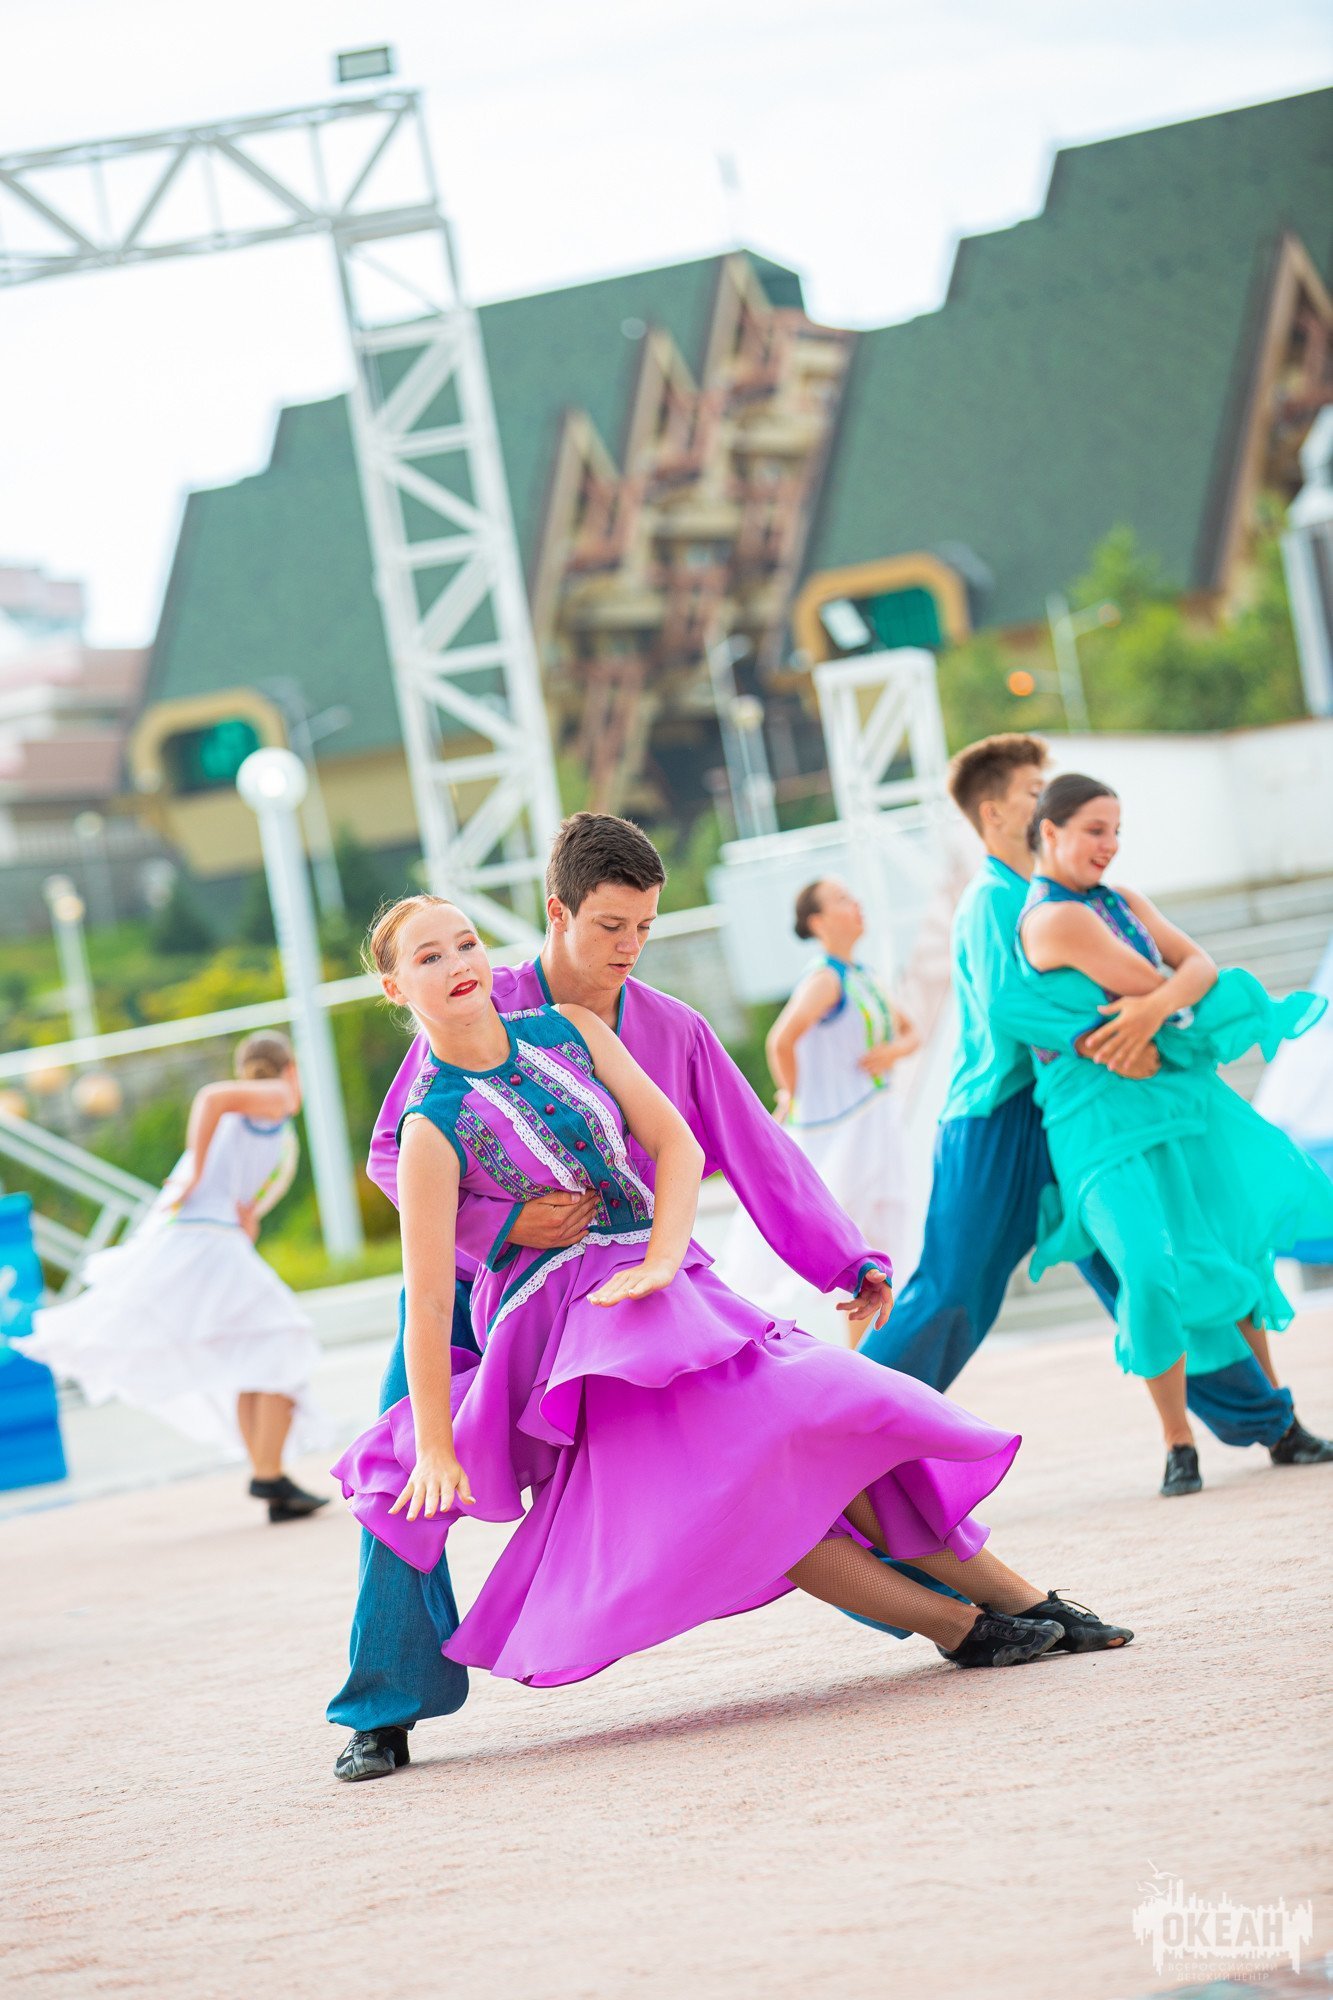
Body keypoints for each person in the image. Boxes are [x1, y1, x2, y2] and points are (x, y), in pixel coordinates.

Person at [331, 894, 1131, 1710]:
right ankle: (965, 1626)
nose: (457, 963)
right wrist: (437, 1444)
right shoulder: (427, 1127)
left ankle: (1018, 1603)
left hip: (673, 1293)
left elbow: (685, 1141)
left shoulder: (572, 1029)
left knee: (833, 1419)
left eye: (465, 943)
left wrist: (670, 1258)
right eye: (428, 957)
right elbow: (426, 1303)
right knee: (746, 1489)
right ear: (396, 988)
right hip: (573, 1335)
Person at [329, 813, 901, 1779]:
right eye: (609, 925)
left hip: (610, 1303)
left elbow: (750, 1147)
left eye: (643, 926)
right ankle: (383, 1709)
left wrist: (844, 1261)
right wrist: (502, 1226)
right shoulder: (477, 999)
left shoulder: (672, 1029)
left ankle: (950, 1608)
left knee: (772, 1432)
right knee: (401, 1478)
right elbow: (398, 1154)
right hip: (469, 1293)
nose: (628, 946)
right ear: (559, 914)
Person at [858, 735, 1315, 1478]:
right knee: (954, 1288)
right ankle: (846, 1424)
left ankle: (1270, 1424)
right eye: (1031, 789)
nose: (1046, 795)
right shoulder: (992, 897)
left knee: (1157, 1267)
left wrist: (1140, 1030)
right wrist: (1105, 1039)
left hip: (1065, 1112)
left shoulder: (1061, 895)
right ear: (995, 812)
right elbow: (1007, 1008)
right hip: (995, 1121)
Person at [1009, 772, 1333, 1496]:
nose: (1110, 844)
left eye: (1116, 830)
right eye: (1095, 830)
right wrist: (1162, 998)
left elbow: (1201, 968)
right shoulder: (1052, 919)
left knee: (1232, 1248)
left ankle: (1282, 1426)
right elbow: (1152, 974)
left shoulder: (1120, 899)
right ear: (1050, 830)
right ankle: (1176, 1442)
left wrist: (1154, 1008)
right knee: (1149, 1270)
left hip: (1175, 1102)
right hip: (1096, 1125)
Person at [27, 1030, 329, 1522]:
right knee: (285, 1341)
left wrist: (240, 1205)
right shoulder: (273, 1094)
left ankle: (269, 1476)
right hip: (208, 1240)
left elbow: (235, 1166)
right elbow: (209, 1097)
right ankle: (269, 1474)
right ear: (289, 1068)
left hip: (213, 1237)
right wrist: (197, 1172)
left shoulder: (252, 1112)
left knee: (257, 1353)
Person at [716, 878, 919, 1333]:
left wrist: (892, 1052)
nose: (857, 903)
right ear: (819, 922)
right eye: (843, 899)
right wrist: (791, 1094)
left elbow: (912, 1031)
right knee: (842, 1244)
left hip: (872, 1125)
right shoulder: (825, 980)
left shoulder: (863, 976)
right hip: (840, 1133)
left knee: (877, 1249)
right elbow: (781, 1040)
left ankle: (870, 1357)